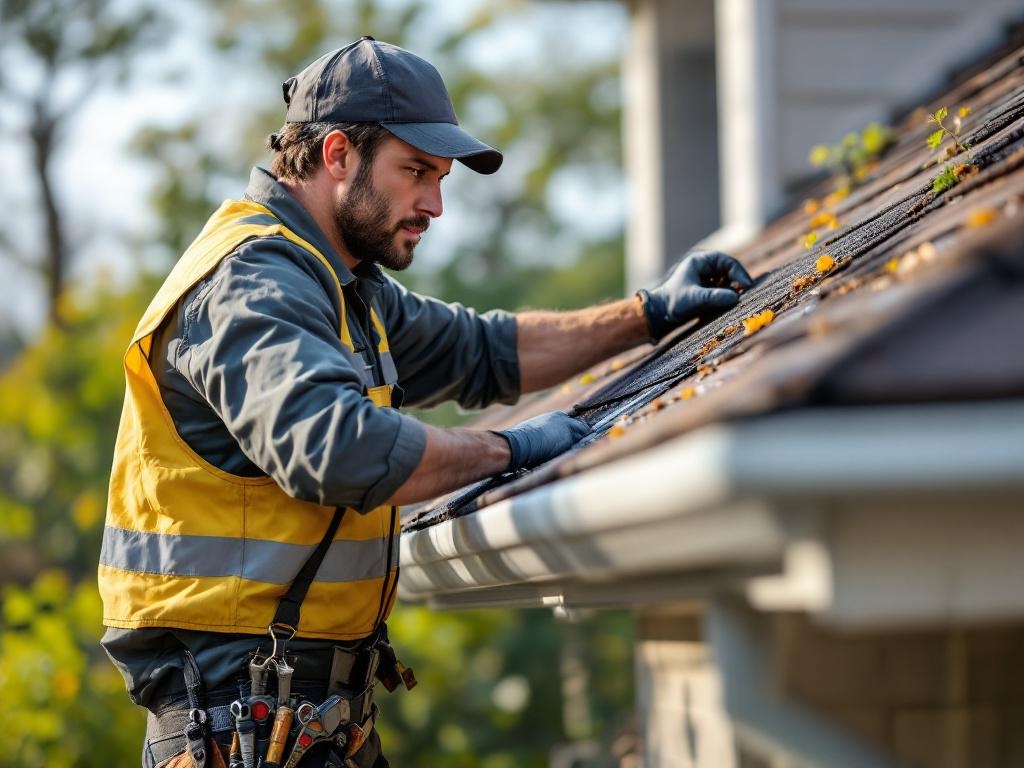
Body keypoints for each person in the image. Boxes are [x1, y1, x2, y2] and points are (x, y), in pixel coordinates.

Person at [98, 37, 752, 768]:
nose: (435, 205)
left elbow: (485, 350)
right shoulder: (254, 281)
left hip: (298, 722)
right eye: (416, 172)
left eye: (440, 179)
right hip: (235, 726)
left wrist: (647, 312)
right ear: (337, 154)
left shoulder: (342, 285)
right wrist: (506, 450)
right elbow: (339, 448)